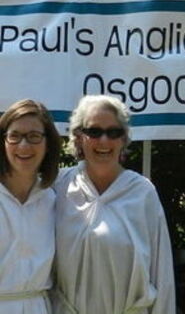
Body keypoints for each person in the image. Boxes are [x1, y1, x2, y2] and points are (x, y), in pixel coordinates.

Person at [53, 95, 176, 314]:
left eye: (113, 132)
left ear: (123, 139)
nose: (104, 141)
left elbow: (162, 273)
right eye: (94, 131)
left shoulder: (142, 193)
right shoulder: (59, 187)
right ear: (79, 137)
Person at [0, 99, 61, 313]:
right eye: (15, 136)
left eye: (34, 136)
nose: (24, 146)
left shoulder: (55, 200)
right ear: (3, 141)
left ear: (48, 143)